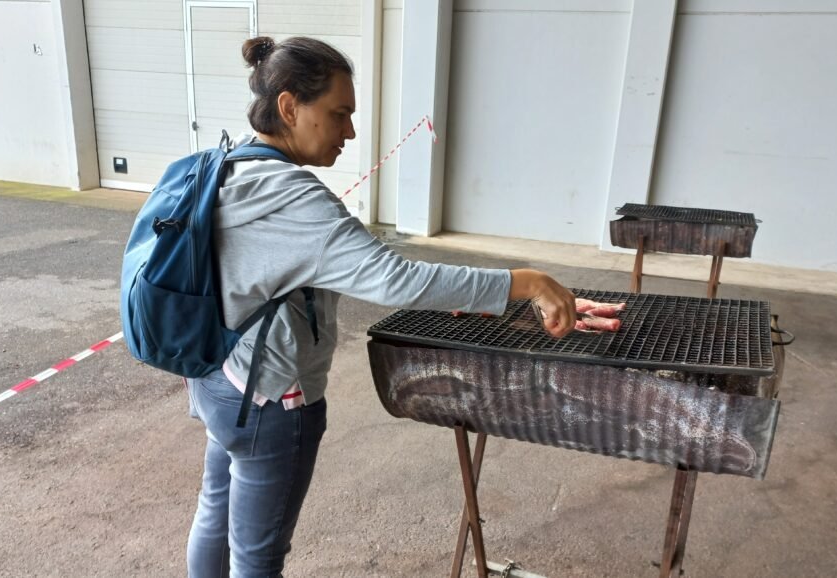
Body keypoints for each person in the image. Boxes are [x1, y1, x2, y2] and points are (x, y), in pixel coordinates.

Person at [185, 36, 577, 578]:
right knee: (256, 555)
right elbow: (398, 280)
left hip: (215, 376)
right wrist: (525, 282)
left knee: (215, 514)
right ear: (289, 107)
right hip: (273, 397)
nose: (349, 131)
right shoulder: (296, 198)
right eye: (339, 113)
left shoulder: (223, 168)